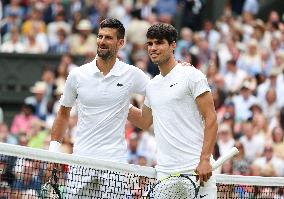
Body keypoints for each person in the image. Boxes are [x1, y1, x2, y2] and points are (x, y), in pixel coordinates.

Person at [48, 18, 150, 197]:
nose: (102, 41)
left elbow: (161, 91)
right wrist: (53, 152)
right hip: (82, 161)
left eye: (108, 38)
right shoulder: (77, 75)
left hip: (114, 163)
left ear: (121, 43)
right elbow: (63, 114)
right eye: (100, 36)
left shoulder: (132, 74)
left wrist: (178, 71)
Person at [128, 23, 218, 198]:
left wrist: (205, 159)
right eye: (150, 43)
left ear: (173, 45)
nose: (153, 48)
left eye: (159, 43)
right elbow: (144, 121)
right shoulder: (152, 85)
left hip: (197, 170)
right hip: (165, 174)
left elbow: (211, 118)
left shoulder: (192, 75)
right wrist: (121, 104)